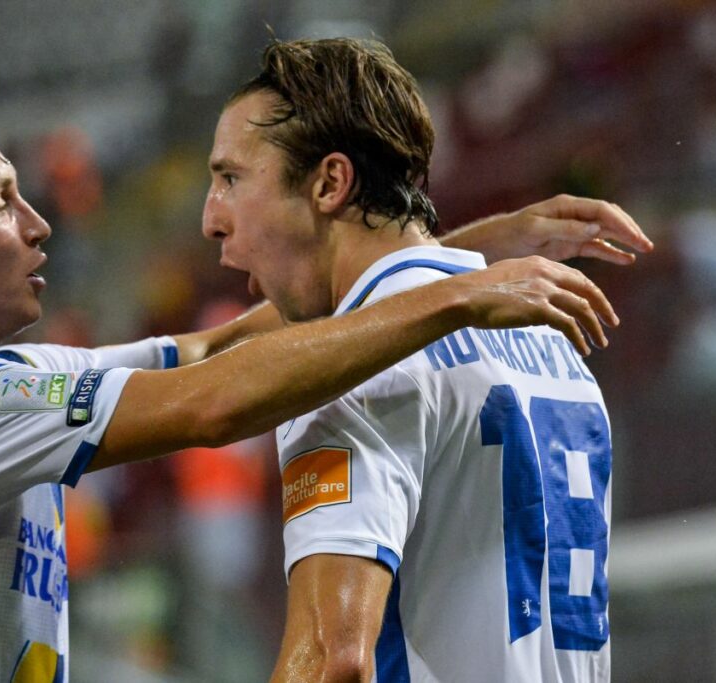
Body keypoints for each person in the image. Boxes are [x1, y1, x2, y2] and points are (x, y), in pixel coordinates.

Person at [0, 103, 646, 682]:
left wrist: (451, 254)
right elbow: (211, 398)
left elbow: (216, 345)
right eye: (0, 204)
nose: (37, 223)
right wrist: (457, 296)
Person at [203, 38, 650, 682]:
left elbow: (332, 660)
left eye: (231, 179)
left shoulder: (346, 362)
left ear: (329, 183)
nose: (211, 219)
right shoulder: (548, 338)